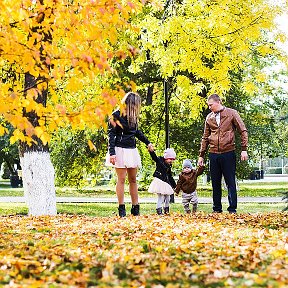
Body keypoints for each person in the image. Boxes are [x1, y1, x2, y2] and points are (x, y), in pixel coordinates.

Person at [198, 94, 248, 214]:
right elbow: (205, 137)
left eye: (211, 105)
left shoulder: (232, 113)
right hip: (213, 153)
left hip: (228, 152)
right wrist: (201, 155)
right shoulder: (209, 118)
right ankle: (216, 209)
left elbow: (243, 130)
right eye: (208, 105)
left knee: (230, 181)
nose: (209, 107)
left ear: (218, 102)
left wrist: (244, 149)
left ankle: (232, 209)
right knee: (215, 183)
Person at [106, 92, 154, 217]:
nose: (137, 107)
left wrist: (148, 143)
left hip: (132, 150)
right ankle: (121, 208)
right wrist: (112, 153)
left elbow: (137, 132)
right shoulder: (115, 115)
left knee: (133, 179)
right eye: (136, 104)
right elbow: (111, 135)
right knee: (121, 179)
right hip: (119, 150)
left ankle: (135, 207)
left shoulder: (133, 117)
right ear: (131, 103)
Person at [148, 148, 176, 215]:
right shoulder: (160, 161)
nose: (171, 161)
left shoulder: (169, 166)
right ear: (166, 158)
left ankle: (166, 209)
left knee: (168, 197)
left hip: (164, 182)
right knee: (161, 197)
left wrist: (174, 185)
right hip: (159, 180)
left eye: (172, 159)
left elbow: (170, 176)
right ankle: (159, 210)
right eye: (170, 159)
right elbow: (154, 157)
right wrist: (151, 152)